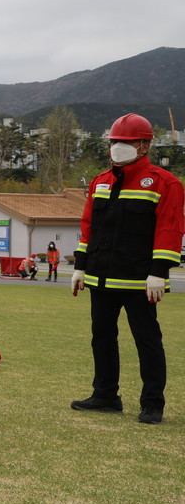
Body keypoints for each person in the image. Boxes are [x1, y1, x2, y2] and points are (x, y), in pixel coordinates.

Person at [70, 113, 183, 425]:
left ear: (144, 145)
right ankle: (105, 395)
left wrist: (159, 271)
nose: (118, 147)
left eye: (127, 142)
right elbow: (88, 227)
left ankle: (152, 404)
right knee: (101, 337)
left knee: (147, 340)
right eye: (114, 142)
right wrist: (80, 267)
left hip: (140, 279)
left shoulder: (165, 183)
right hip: (100, 275)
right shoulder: (100, 182)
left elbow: (170, 229)